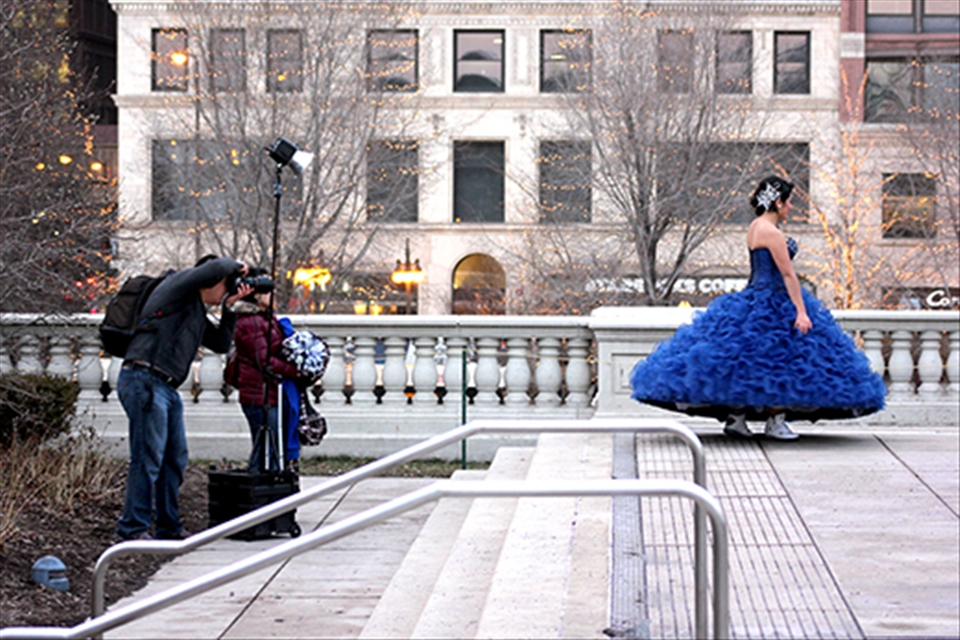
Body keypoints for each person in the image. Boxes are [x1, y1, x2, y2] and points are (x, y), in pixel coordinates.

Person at [630, 176, 887, 440]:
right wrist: (801, 310)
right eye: (788, 203)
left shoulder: (755, 226)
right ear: (777, 202)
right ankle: (775, 421)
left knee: (744, 359)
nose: (791, 208)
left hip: (753, 297)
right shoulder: (771, 232)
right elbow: (788, 275)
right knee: (781, 359)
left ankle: (737, 418)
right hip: (774, 298)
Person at [116, 255, 253, 541]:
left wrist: (229, 309)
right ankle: (133, 529)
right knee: (147, 458)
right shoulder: (176, 287)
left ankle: (169, 526)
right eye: (227, 286)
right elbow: (215, 268)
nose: (227, 290)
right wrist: (239, 266)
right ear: (212, 279)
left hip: (163, 387)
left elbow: (219, 343)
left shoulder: (192, 309)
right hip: (145, 379)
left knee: (174, 459)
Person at [232, 281, 301, 473]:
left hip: (268, 392)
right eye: (269, 292)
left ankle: (265, 492)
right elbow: (263, 359)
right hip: (258, 394)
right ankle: (257, 494)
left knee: (269, 448)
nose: (274, 295)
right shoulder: (250, 322)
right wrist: (294, 371)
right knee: (265, 449)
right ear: (256, 296)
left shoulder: (265, 319)